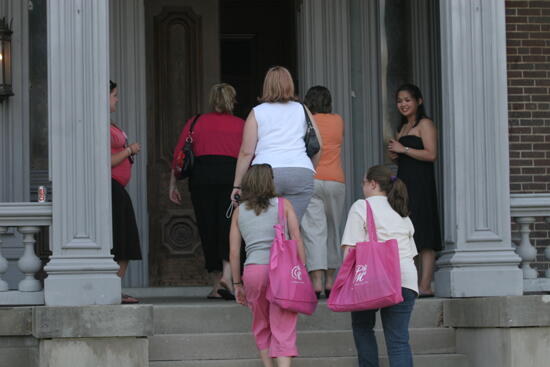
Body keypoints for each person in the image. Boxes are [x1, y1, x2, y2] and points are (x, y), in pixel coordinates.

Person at [169, 83, 244, 300]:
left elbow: (179, 156)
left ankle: (216, 284)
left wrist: (173, 184)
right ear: (232, 100)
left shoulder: (196, 122)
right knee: (229, 226)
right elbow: (250, 153)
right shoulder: (241, 124)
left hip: (201, 179)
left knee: (207, 228)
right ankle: (227, 277)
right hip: (230, 178)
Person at [341, 165, 418, 367]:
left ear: (373, 184)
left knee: (363, 327)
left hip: (372, 277)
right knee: (399, 340)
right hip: (406, 278)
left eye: (363, 182)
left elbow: (349, 250)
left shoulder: (362, 206)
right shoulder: (401, 211)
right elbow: (412, 252)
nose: (362, 187)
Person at [229, 164, 306, 367]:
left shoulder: (239, 212)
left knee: (261, 325)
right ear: (269, 181)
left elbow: (235, 252)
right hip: (281, 273)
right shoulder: (284, 205)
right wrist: (301, 271)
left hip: (253, 271)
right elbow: (297, 239)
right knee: (283, 326)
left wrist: (237, 284)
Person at [230, 66, 322, 222]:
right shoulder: (302, 109)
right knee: (291, 229)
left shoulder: (257, 112)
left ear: (267, 85)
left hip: (265, 175)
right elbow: (319, 146)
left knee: (266, 230)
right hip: (300, 172)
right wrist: (309, 169)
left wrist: (237, 186)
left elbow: (247, 152)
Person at [387, 83, 442, 297]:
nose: (403, 104)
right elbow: (405, 156)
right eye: (400, 101)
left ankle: (425, 285)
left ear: (419, 101)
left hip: (421, 183)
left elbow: (431, 154)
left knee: (425, 233)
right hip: (404, 185)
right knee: (409, 232)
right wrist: (396, 154)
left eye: (407, 100)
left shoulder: (425, 124)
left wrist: (404, 149)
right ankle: (413, 283)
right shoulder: (402, 127)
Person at [300, 86, 345, 298]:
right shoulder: (338, 120)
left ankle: (316, 282)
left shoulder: (306, 121)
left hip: (313, 178)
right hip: (336, 180)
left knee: (313, 231)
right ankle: (330, 281)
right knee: (334, 230)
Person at [109, 80, 143, 304]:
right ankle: (113, 289)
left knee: (126, 239)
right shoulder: (99, 125)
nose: (117, 99)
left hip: (118, 188)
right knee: (122, 239)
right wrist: (130, 150)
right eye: (114, 95)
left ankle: (115, 287)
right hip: (111, 187)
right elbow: (107, 161)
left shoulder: (109, 123)